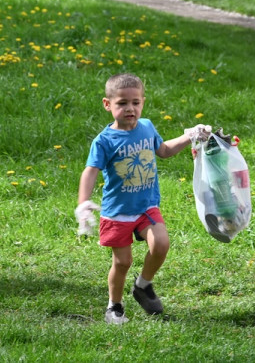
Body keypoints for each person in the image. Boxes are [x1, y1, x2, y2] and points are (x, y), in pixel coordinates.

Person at [75, 73, 210, 324]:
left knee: (160, 244)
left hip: (146, 206)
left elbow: (164, 151)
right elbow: (90, 170)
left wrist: (190, 135)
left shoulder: (147, 127)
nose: (130, 108)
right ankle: (114, 306)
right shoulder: (104, 141)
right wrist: (83, 204)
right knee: (122, 262)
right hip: (118, 212)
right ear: (108, 104)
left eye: (135, 102)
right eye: (122, 103)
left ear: (143, 102)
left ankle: (143, 286)